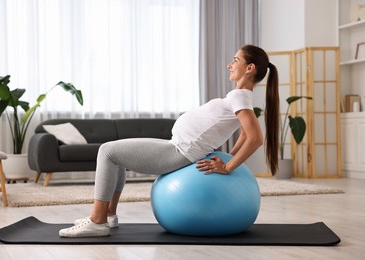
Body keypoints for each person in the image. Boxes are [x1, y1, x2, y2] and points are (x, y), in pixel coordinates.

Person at [59, 44, 279, 237]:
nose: (229, 64)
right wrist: (230, 156)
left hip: (179, 152)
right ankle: (108, 215)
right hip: (177, 147)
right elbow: (244, 133)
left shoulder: (239, 96)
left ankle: (98, 221)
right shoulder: (240, 97)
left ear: (250, 68)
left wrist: (228, 166)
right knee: (116, 156)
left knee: (107, 151)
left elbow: (255, 138)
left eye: (235, 60)